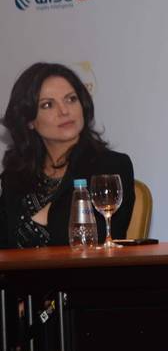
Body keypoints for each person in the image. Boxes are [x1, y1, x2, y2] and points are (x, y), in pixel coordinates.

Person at [0, 63, 135, 248]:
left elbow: (94, 239)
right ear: (29, 120)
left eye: (71, 99)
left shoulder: (110, 167)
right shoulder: (15, 176)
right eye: (48, 105)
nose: (64, 111)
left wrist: (46, 216)